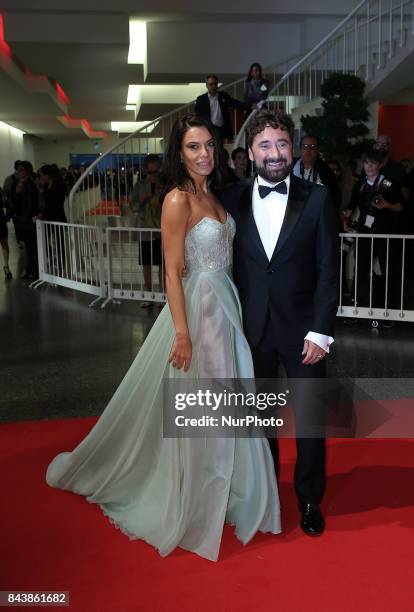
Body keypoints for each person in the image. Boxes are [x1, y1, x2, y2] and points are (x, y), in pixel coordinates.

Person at [46, 113, 281, 562]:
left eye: (210, 146)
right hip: (199, 311)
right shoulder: (177, 200)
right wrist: (182, 331)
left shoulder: (212, 195)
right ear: (179, 153)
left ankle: (229, 489)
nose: (205, 154)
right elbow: (172, 274)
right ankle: (195, 494)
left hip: (224, 305)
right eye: (194, 147)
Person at [221, 110, 339, 536]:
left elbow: (329, 270)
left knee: (310, 422)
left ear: (293, 147)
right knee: (260, 421)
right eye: (265, 145)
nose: (276, 153)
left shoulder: (318, 198)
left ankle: (309, 499)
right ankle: (266, 491)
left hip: (305, 332)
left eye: (283, 144)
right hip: (252, 332)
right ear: (250, 153)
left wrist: (321, 330)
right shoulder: (229, 199)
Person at [343, 148, 404, 312]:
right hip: (364, 232)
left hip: (386, 232)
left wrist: (387, 205)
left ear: (380, 165)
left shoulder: (387, 182)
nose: (369, 166)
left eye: (373, 163)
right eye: (366, 163)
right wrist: (344, 219)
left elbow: (400, 206)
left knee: (388, 270)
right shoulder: (360, 184)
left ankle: (390, 308)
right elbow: (350, 208)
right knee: (361, 268)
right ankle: (359, 306)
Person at [130, 154, 163, 307]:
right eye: (150, 172)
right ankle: (149, 295)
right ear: (145, 170)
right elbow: (132, 206)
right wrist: (142, 202)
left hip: (162, 229)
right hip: (145, 230)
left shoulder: (165, 184)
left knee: (163, 264)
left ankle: (163, 295)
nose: (153, 175)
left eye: (156, 171)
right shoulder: (140, 185)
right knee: (147, 264)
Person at [293, 135, 342, 210]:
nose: (308, 150)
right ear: (300, 149)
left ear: (318, 150)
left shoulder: (326, 171)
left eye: (312, 147)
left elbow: (335, 197)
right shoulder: (289, 166)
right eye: (305, 146)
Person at [194, 74, 247, 141]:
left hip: (222, 130)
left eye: (215, 84)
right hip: (208, 130)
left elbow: (235, 103)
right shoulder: (201, 99)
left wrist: (250, 106)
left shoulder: (223, 96)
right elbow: (197, 116)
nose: (213, 86)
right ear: (207, 85)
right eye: (211, 84)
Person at [0, 188, 12, 280]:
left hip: (0, 220)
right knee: (4, 243)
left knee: (4, 243)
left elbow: (6, 203)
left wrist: (7, 216)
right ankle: (6, 266)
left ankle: (6, 266)